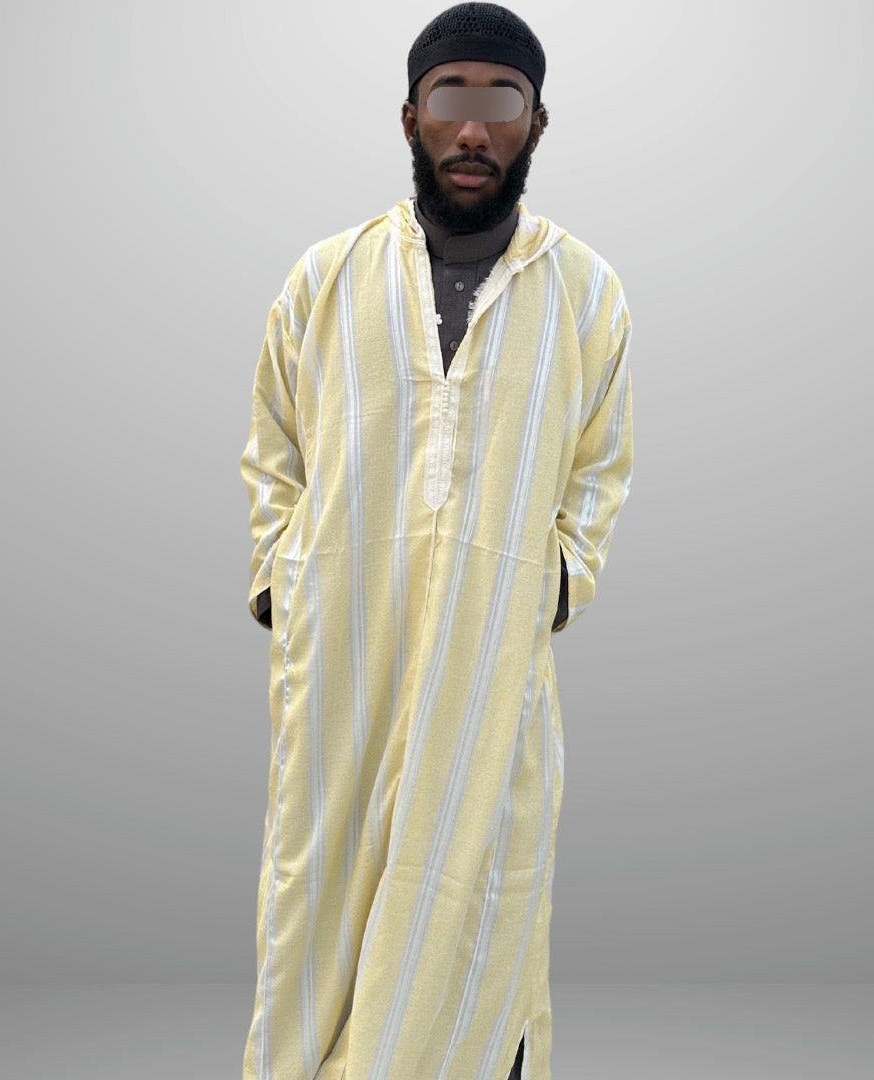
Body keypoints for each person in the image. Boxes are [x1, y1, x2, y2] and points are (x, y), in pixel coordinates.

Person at [239, 5, 634, 1078]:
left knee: (474, 892)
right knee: (319, 896)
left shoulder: (585, 292)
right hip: (342, 655)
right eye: (449, 99)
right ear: (410, 116)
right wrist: (282, 578)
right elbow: (273, 439)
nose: (472, 130)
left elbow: (600, 467)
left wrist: (555, 582)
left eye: (499, 102)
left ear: (536, 123)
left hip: (490, 662)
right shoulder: (326, 277)